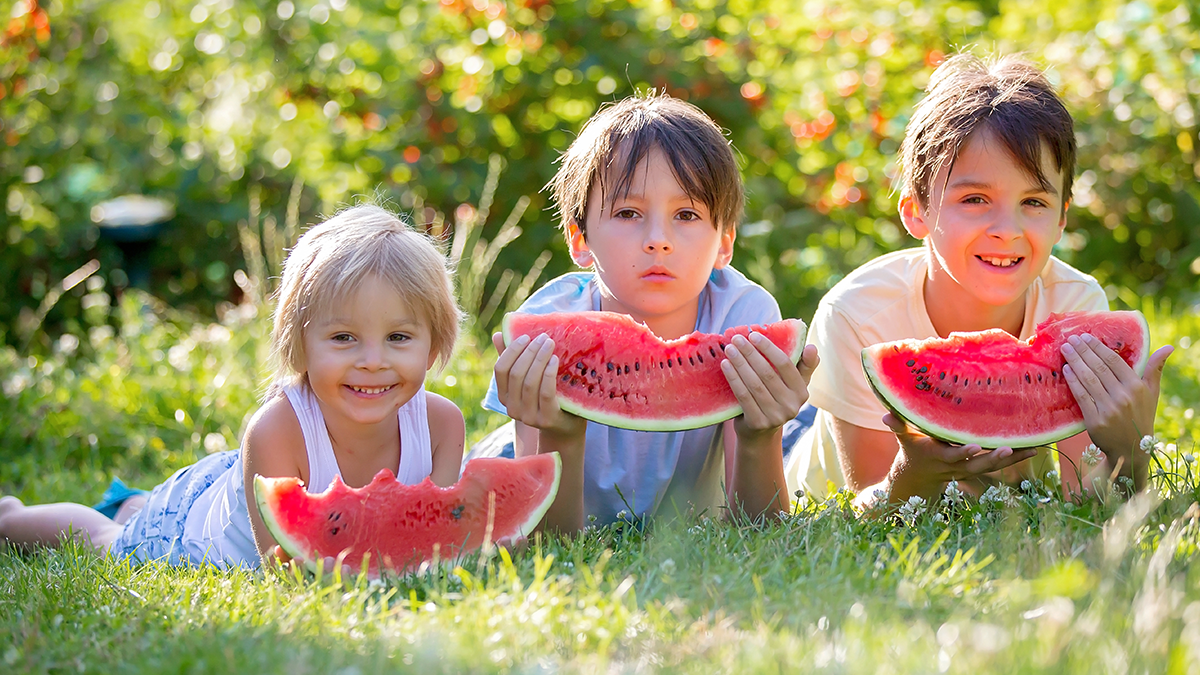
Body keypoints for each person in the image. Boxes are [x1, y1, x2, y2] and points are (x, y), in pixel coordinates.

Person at [783, 54, 1173, 510]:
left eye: (1034, 202)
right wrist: (913, 476)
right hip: (814, 477)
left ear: (1062, 219)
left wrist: (1130, 451)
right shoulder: (858, 314)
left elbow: (1087, 503)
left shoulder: (1075, 304)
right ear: (915, 212)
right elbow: (867, 507)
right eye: (975, 199)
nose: (1007, 230)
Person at [0, 205, 466, 567]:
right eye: (344, 338)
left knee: (140, 509)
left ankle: (137, 504)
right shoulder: (277, 431)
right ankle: (11, 517)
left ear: (433, 348)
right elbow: (285, 568)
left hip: (229, 486)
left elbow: (435, 541)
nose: (372, 361)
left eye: (398, 337)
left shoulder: (442, 426)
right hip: (193, 530)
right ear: (299, 347)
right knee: (108, 541)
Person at [475, 92, 820, 532]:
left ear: (724, 243)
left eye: (687, 214)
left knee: (806, 424)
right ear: (580, 240)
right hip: (523, 468)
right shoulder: (546, 325)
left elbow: (758, 530)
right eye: (628, 212)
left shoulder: (744, 314)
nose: (658, 239)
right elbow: (544, 543)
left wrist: (760, 436)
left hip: (700, 517)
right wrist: (560, 433)